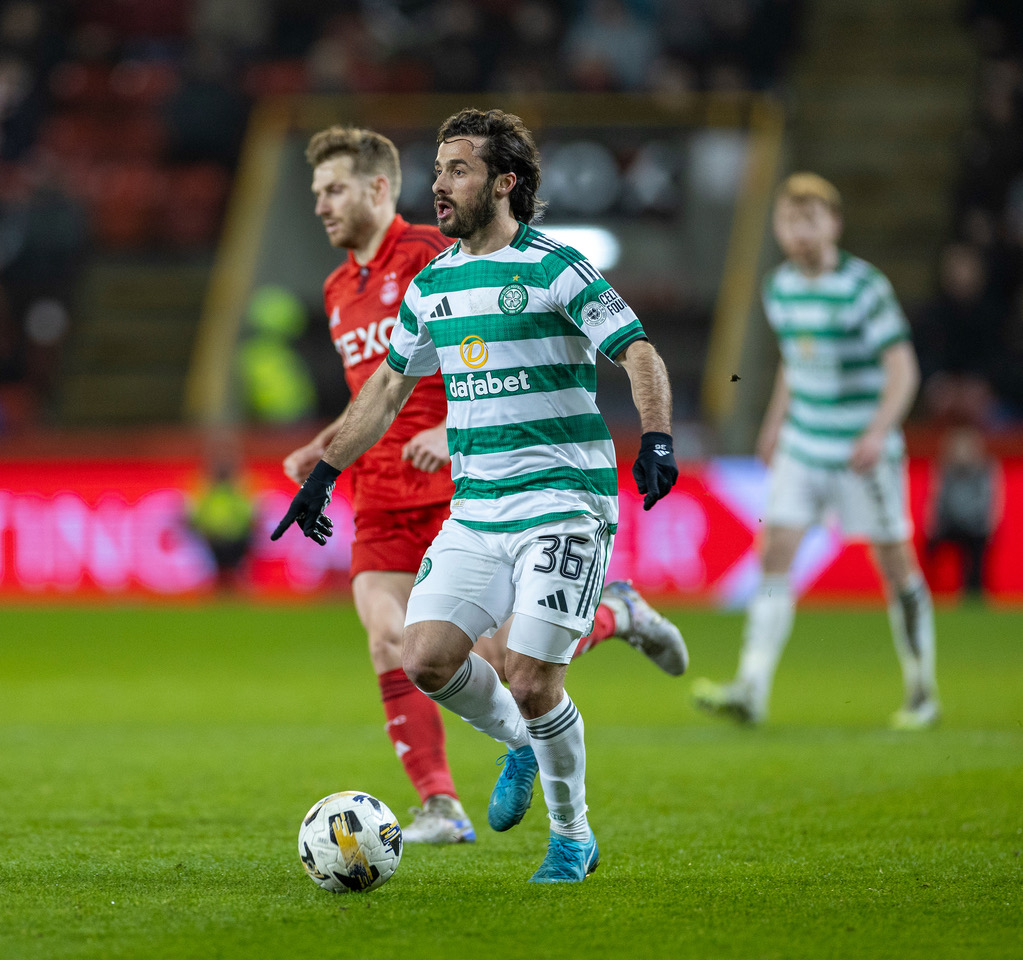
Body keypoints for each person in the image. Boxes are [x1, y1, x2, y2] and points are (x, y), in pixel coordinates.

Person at [273, 108, 679, 882]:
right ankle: (524, 744)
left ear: (505, 182)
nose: (441, 186)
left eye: (457, 170)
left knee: (528, 677)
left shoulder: (557, 267)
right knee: (422, 657)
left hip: (563, 500)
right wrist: (327, 471)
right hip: (478, 507)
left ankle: (571, 837)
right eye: (438, 170)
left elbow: (639, 353)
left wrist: (655, 436)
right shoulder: (434, 283)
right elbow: (387, 390)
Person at [692, 172, 940, 731]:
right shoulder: (779, 287)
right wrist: (774, 424)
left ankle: (922, 690)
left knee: (895, 564)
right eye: (789, 221)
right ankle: (751, 688)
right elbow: (794, 360)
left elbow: (903, 369)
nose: (799, 232)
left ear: (834, 224)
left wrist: (878, 431)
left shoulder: (863, 287)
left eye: (810, 220)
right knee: (774, 550)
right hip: (805, 442)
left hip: (861, 449)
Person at [925, 424, 1001, 600]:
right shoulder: (945, 469)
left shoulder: (986, 469)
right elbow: (937, 499)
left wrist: (988, 525)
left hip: (975, 526)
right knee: (930, 547)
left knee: (977, 550)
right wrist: (933, 524)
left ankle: (974, 591)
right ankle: (927, 589)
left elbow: (989, 500)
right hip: (950, 525)